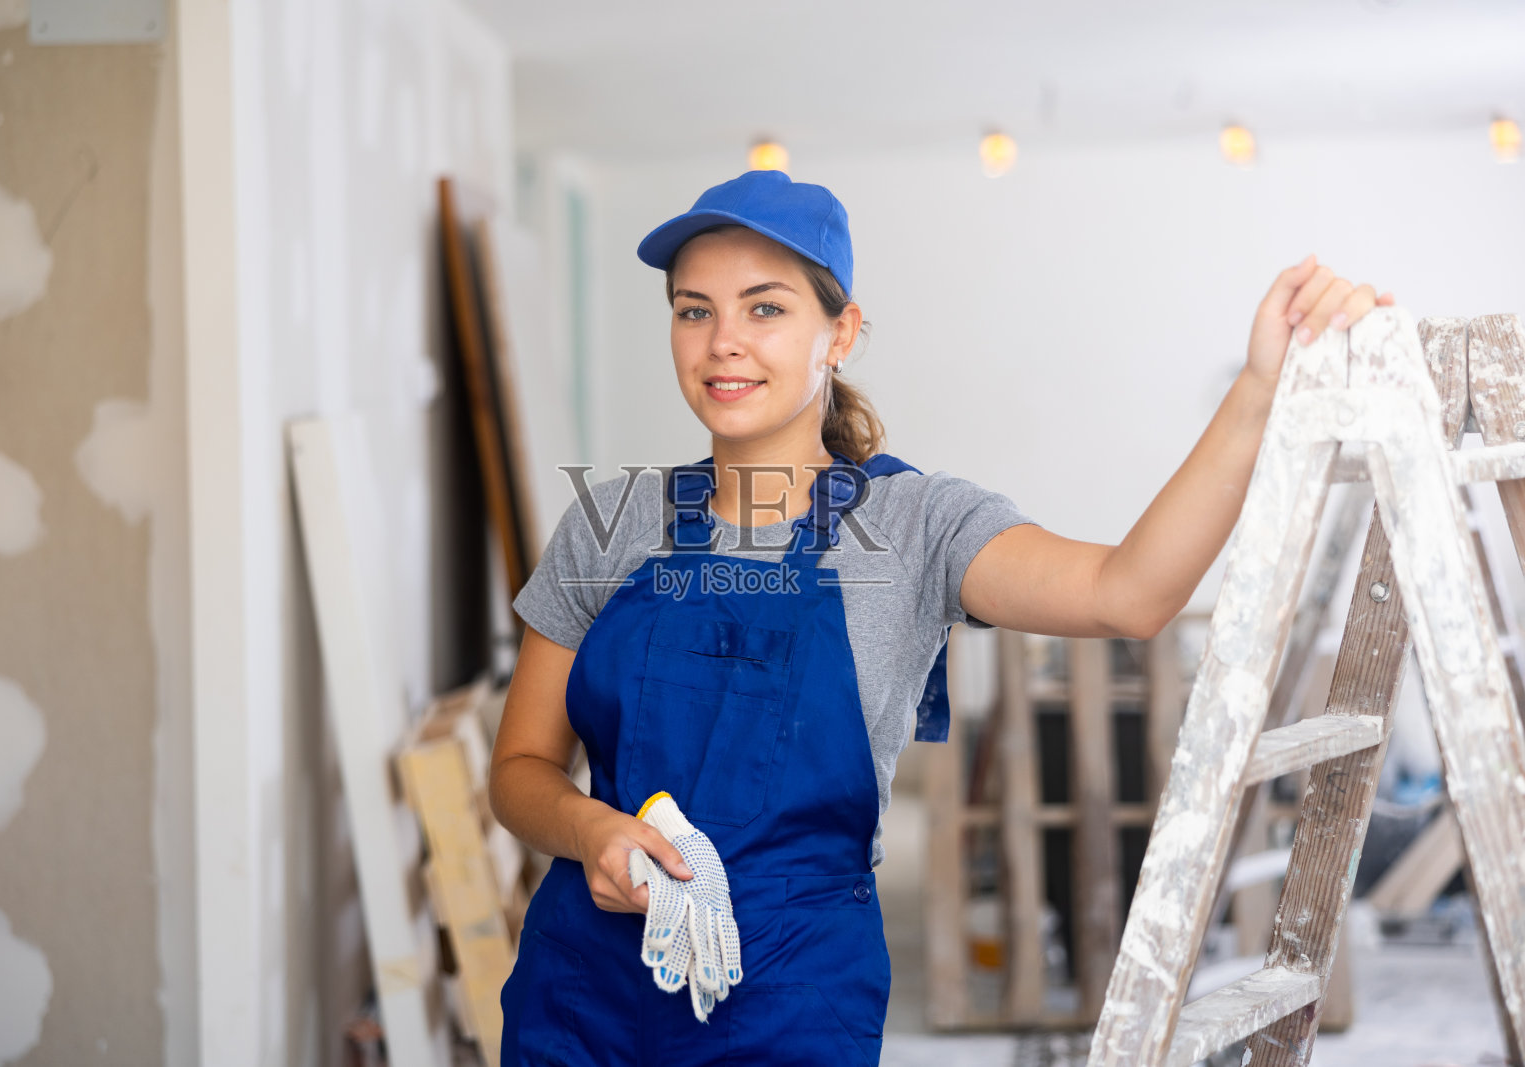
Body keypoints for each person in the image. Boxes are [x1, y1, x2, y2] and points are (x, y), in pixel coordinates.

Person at [489, 168, 1392, 1066]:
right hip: (582, 997)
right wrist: (593, 830)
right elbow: (521, 768)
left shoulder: (917, 528)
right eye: (694, 310)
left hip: (785, 1000)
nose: (724, 341)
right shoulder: (609, 528)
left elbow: (1130, 591)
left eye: (765, 309)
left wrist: (1254, 393)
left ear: (838, 332)